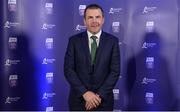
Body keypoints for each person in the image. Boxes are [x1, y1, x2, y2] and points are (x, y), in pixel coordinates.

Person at [64, 4, 120, 111]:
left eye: (97, 17)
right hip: (79, 101)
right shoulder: (74, 41)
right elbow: (68, 70)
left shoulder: (112, 41)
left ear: (103, 20)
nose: (94, 21)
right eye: (90, 17)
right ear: (84, 21)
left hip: (103, 102)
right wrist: (85, 93)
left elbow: (115, 71)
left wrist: (98, 97)